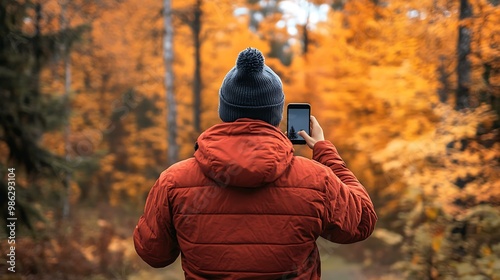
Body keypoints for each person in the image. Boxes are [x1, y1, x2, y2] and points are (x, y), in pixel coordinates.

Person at [133, 48, 377, 279]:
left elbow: (154, 253)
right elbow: (362, 221)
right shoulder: (316, 179)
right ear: (276, 114)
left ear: (224, 110)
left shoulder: (174, 181)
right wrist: (325, 152)